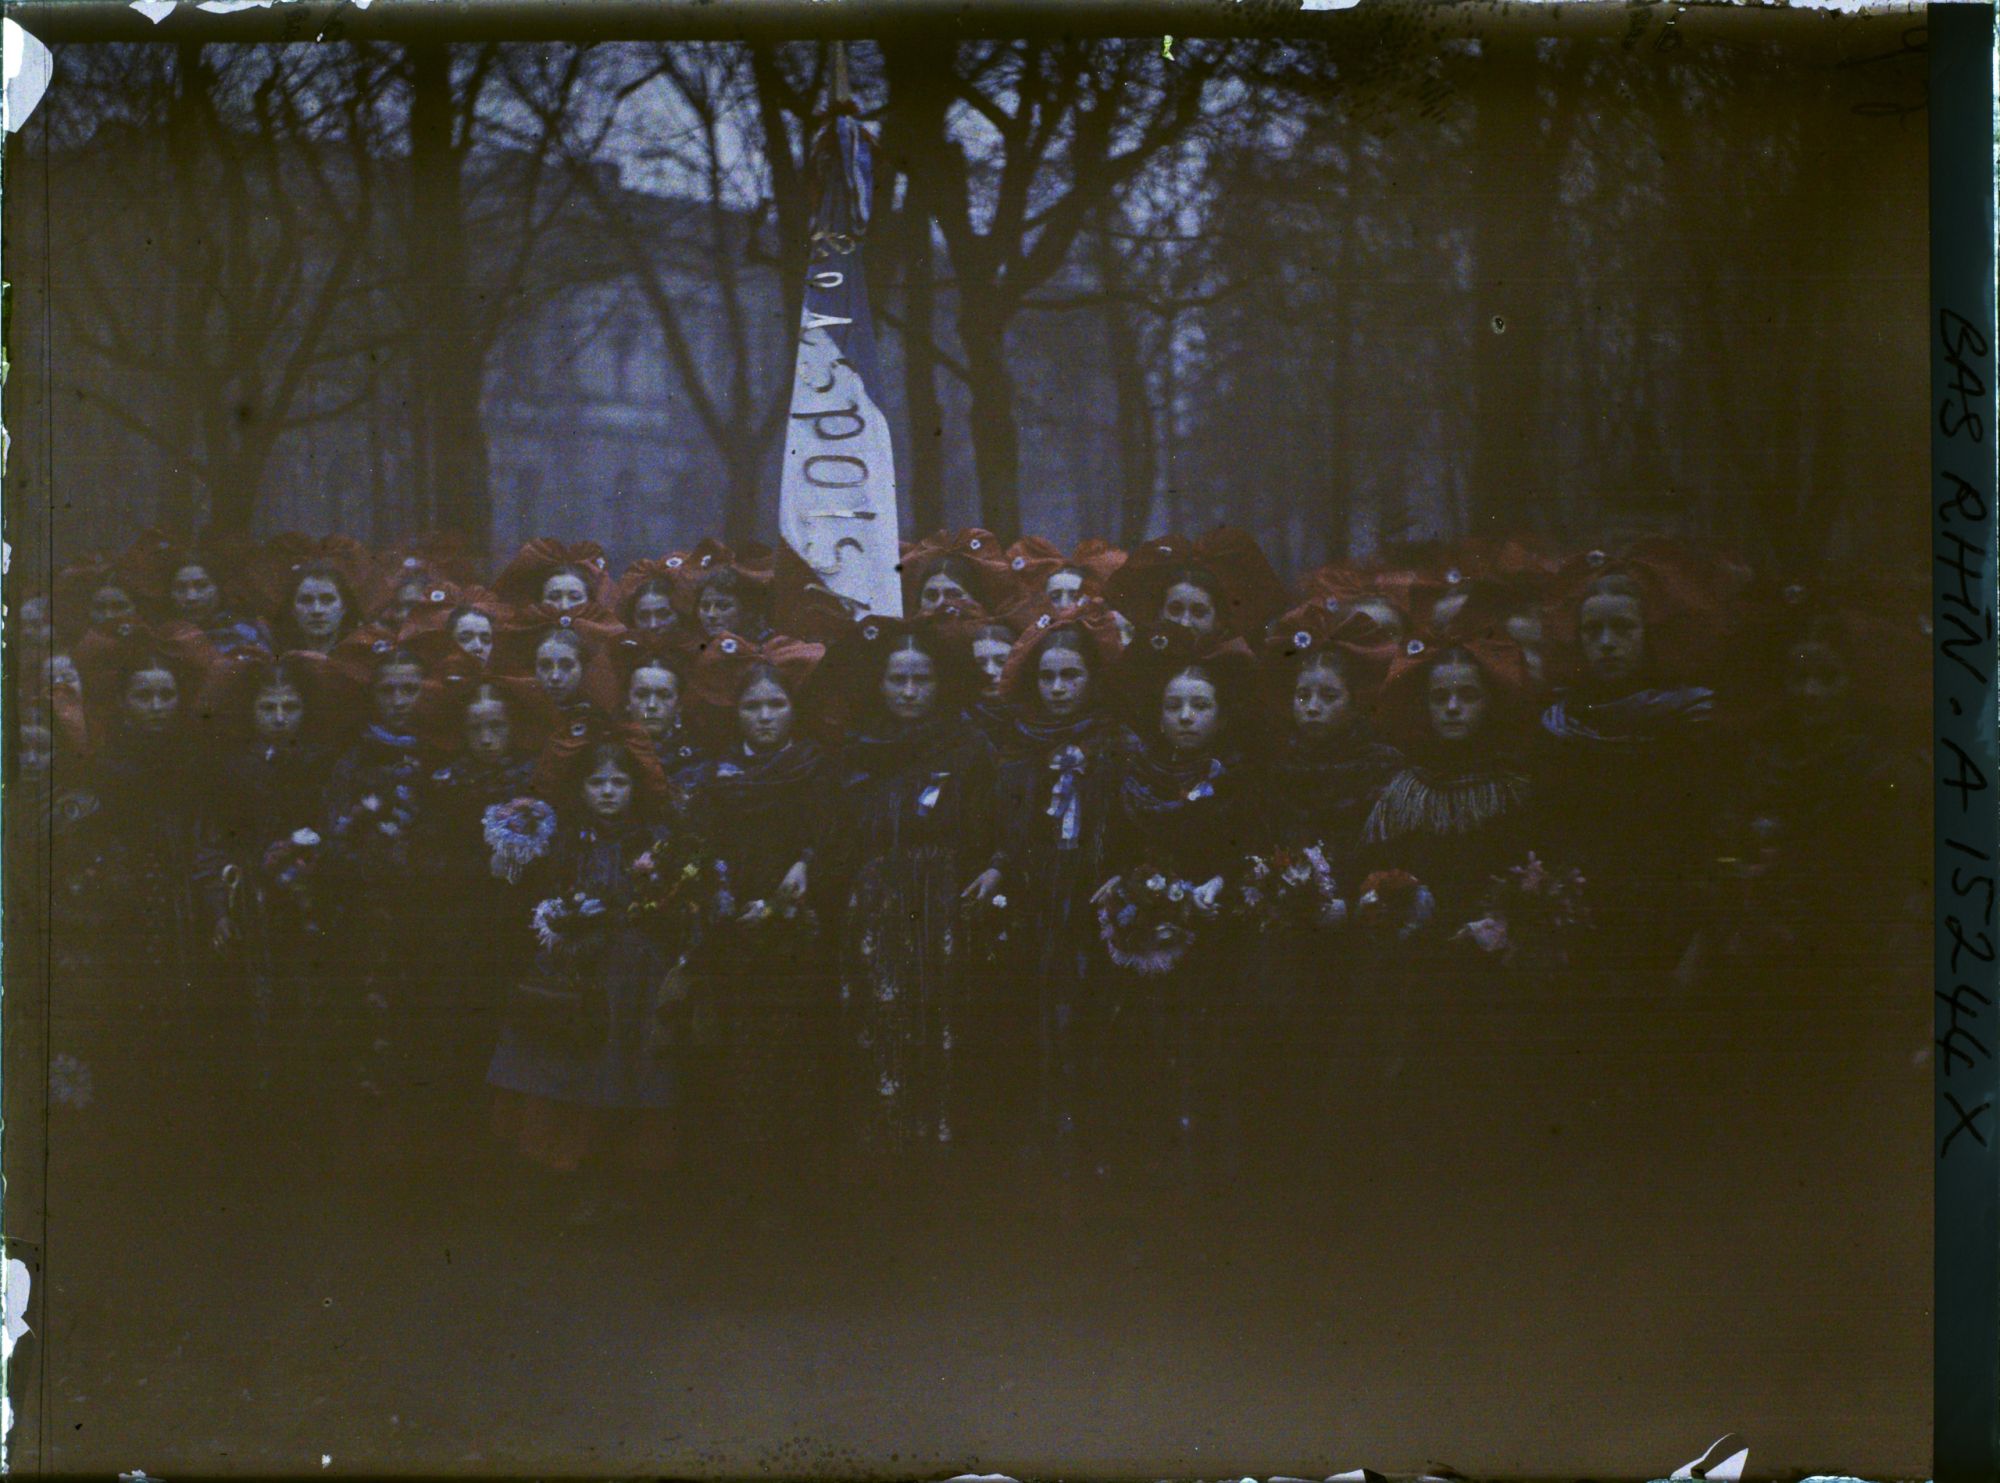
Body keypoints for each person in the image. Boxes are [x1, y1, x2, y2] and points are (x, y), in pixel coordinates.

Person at [486, 721, 694, 1216]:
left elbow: (678, 904)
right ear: (581, 788)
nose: (608, 792)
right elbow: (525, 889)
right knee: (565, 1072)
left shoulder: (656, 840)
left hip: (635, 975)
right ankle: (558, 1174)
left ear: (633, 788)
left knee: (624, 1073)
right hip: (573, 969)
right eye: (597, 782)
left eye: (618, 782)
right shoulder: (564, 838)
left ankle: (618, 1179)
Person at [821, 617, 1001, 1159]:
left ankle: (939, 1147)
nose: (908, 691)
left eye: (921, 680)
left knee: (939, 1018)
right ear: (879, 683)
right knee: (878, 1021)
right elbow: (838, 834)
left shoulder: (967, 745)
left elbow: (990, 828)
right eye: (897, 679)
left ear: (939, 682)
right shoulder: (859, 747)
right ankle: (881, 1148)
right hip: (876, 907)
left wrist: (987, 868)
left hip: (942, 902)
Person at [1091, 626, 1258, 1173]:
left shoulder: (1240, 779)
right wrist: (1126, 887)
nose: (1186, 717)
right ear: (1159, 716)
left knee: (1208, 1055)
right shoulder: (1136, 777)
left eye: (1200, 706)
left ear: (1222, 717)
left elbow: (1250, 852)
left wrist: (1221, 883)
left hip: (1216, 940)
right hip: (1146, 938)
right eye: (1174, 706)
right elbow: (1116, 851)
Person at [988, 611, 1136, 1163]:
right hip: (1037, 892)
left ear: (1092, 679)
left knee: (1091, 1008)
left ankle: (1093, 1132)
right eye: (1047, 677)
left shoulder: (1117, 744)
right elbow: (1007, 823)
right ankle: (1042, 1127)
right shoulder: (1019, 742)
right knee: (1034, 1007)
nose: (1057, 688)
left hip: (1094, 891)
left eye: (1071, 676)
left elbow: (1133, 823)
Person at [681, 638, 831, 1168]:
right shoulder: (717, 778)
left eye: (776, 705)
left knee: (796, 1050)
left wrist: (807, 865)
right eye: (752, 707)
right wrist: (721, 899)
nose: (765, 717)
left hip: (797, 935)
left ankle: (797, 1170)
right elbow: (700, 850)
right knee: (736, 1054)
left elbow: (832, 838)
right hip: (734, 936)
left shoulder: (814, 769)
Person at [196, 654, 338, 1102]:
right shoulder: (230, 768)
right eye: (268, 708)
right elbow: (213, 843)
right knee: (252, 1011)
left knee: (308, 1008)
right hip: (249, 907)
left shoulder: (323, 763)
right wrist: (220, 907)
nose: (279, 718)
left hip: (309, 904)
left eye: (290, 707)